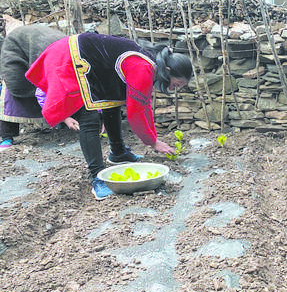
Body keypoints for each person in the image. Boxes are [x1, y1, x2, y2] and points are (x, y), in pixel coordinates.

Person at [26, 32, 193, 200]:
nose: (175, 88)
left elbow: (144, 104)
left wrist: (153, 139)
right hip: (69, 57)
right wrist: (153, 142)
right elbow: (135, 113)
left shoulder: (151, 65)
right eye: (177, 84)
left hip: (88, 62)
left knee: (111, 102)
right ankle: (97, 177)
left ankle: (118, 153)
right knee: (89, 117)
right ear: (168, 70)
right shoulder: (144, 68)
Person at [0, 25, 79, 150]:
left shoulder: (78, 60)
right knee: (13, 90)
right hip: (16, 50)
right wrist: (64, 117)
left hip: (41, 49)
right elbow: (44, 91)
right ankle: (7, 136)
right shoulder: (54, 63)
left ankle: (57, 120)